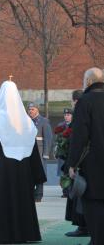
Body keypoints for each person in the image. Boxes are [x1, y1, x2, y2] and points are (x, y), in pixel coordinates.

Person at [0, 80, 46, 244]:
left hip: (1, 166)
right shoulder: (26, 120)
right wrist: (37, 174)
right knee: (22, 198)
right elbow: (33, 147)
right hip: (23, 168)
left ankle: (2, 234)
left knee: (3, 199)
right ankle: (25, 233)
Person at [67, 68, 104, 245]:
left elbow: (79, 136)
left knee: (93, 203)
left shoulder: (85, 102)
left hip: (93, 163)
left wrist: (71, 163)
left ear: (88, 82)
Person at [65, 89, 89, 238]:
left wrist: (71, 163)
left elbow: (77, 139)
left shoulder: (80, 113)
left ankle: (83, 226)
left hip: (81, 161)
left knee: (79, 195)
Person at [27, 102, 53, 201]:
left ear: (37, 110)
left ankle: (38, 194)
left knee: (39, 173)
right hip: (28, 151)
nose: (30, 111)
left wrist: (46, 153)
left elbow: (48, 138)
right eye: (29, 109)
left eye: (32, 109)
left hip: (39, 151)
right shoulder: (26, 121)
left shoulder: (44, 121)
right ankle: (30, 193)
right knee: (30, 173)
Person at [54, 107, 73, 178]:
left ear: (72, 116)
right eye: (65, 115)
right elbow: (57, 139)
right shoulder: (60, 125)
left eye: (68, 115)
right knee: (62, 173)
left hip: (71, 151)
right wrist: (56, 149)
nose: (66, 117)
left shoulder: (75, 124)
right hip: (62, 152)